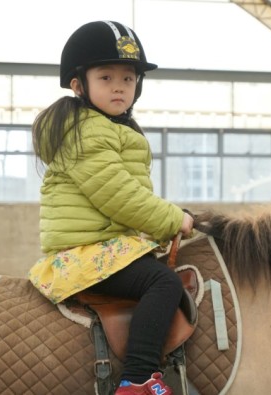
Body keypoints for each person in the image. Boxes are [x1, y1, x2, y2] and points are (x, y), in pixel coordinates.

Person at [28, 20, 192, 395]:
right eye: (106, 77)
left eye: (128, 78)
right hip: (85, 253)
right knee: (163, 281)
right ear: (78, 84)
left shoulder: (113, 128)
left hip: (109, 245)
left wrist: (173, 216)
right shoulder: (84, 132)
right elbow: (120, 197)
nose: (120, 86)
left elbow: (130, 195)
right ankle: (136, 378)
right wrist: (173, 219)